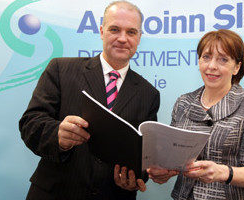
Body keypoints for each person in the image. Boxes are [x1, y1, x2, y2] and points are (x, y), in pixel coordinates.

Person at [19, 1, 160, 199]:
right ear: (102, 31)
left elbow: (144, 155)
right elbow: (30, 124)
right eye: (114, 29)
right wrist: (57, 135)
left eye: (131, 32)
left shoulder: (149, 94)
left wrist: (135, 179)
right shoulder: (60, 69)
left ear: (139, 38)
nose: (122, 38)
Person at [147, 29, 244, 200]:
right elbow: (173, 158)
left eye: (223, 59)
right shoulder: (184, 102)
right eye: (206, 57)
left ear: (237, 67)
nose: (212, 66)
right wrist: (163, 172)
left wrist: (222, 172)